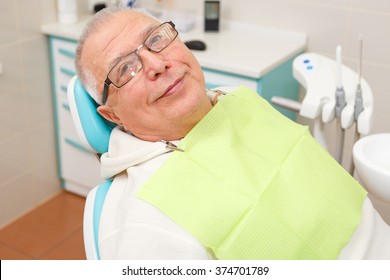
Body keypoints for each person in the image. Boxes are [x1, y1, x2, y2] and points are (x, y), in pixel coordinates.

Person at [75, 6, 390, 260]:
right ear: (112, 115)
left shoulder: (234, 97)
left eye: (156, 40)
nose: (157, 63)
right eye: (125, 69)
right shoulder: (147, 219)